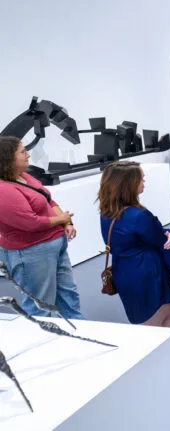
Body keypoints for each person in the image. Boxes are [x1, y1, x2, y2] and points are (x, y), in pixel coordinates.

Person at [98, 161, 170, 367]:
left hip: (125, 273)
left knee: (145, 321)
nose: (144, 182)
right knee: (163, 318)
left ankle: (168, 362)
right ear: (128, 184)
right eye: (141, 178)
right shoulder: (138, 215)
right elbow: (163, 244)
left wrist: (164, 234)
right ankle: (166, 365)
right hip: (149, 274)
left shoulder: (107, 213)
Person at [0, 136, 84, 319]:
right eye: (22, 152)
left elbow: (48, 199)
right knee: (40, 305)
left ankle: (78, 331)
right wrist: (60, 219)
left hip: (54, 245)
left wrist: (65, 222)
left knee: (68, 295)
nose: (28, 154)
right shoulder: (3, 190)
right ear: (8, 158)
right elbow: (30, 222)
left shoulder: (24, 177)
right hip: (31, 252)